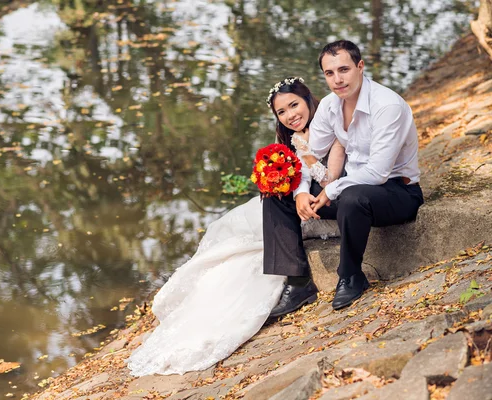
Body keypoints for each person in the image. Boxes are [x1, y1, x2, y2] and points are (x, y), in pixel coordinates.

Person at [126, 78, 345, 376]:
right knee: (246, 214)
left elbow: (330, 177)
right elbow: (298, 180)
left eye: (294, 105)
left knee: (270, 207)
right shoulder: (291, 139)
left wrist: (303, 173)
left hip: (339, 198)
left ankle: (297, 283)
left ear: (308, 100)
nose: (290, 115)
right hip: (309, 201)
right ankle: (282, 277)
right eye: (281, 112)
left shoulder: (330, 124)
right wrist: (286, 184)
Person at [265, 40, 424, 318]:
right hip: (353, 187)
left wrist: (333, 188)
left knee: (351, 197)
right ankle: (298, 282)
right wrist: (302, 190)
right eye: (329, 73)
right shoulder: (329, 106)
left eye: (344, 70)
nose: (337, 80)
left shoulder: (387, 106)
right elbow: (311, 153)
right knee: (277, 193)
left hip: (396, 192)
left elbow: (378, 172)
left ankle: (351, 276)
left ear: (360, 67)